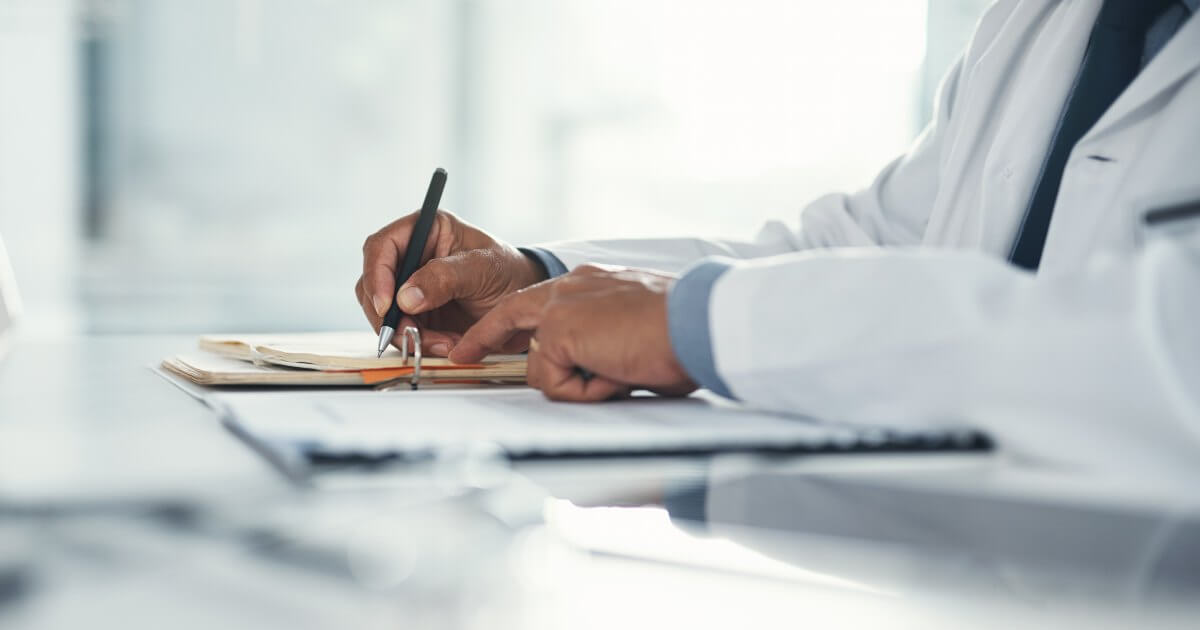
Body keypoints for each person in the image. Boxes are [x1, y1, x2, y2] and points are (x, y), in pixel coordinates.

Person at [355, 0, 1199, 469]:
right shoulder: (1039, 20)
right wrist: (534, 285)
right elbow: (860, 250)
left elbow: (1164, 344)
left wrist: (704, 325)